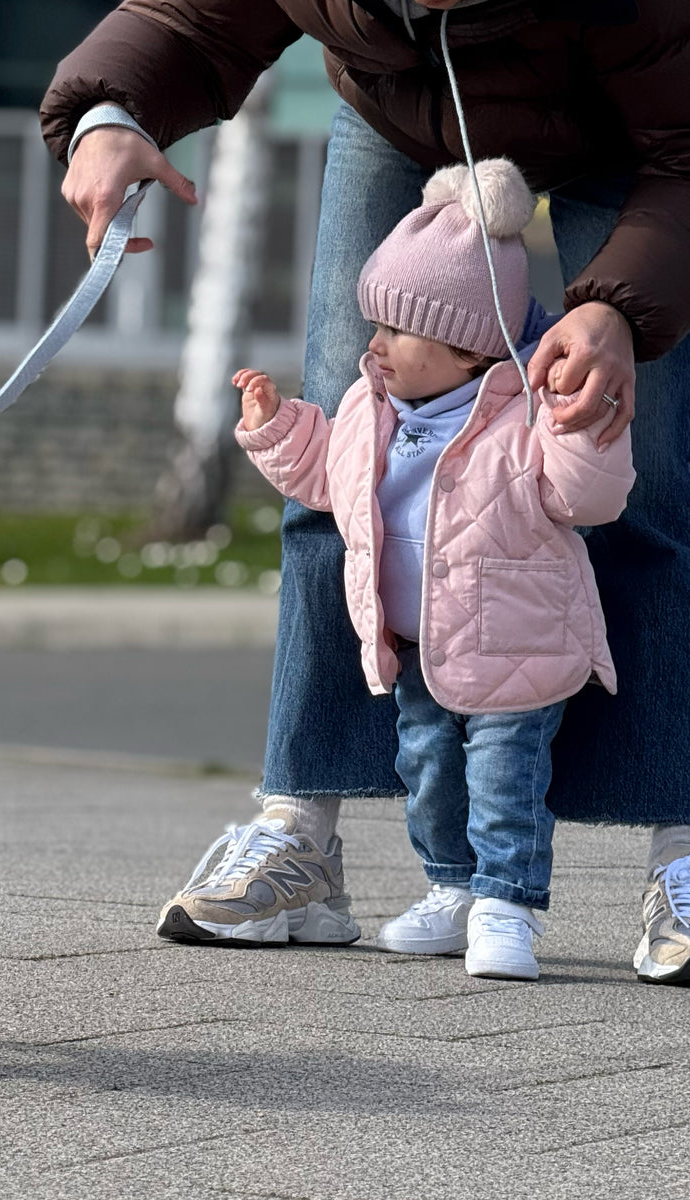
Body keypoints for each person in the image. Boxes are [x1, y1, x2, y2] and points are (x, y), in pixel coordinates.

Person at [41, 0, 690, 984]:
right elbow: (187, 15)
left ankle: (682, 849)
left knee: (644, 468)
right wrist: (109, 114)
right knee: (348, 459)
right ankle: (299, 832)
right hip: (399, 117)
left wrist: (614, 308)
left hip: (645, 140)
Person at [233, 158, 634, 980]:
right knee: (427, 769)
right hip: (419, 644)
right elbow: (324, 476)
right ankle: (452, 889)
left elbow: (589, 497)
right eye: (372, 327)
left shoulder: (525, 411)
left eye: (393, 331)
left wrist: (581, 431)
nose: (372, 348)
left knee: (504, 776)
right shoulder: (368, 409)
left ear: (466, 346)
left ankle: (507, 903)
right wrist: (277, 428)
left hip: (520, 646)